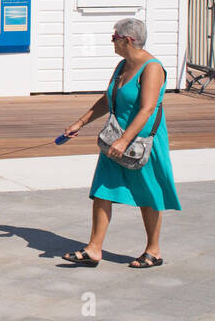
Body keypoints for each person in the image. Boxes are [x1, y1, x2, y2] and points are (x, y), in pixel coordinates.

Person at [60, 18, 181, 268]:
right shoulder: (122, 66)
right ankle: (94, 248)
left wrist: (125, 141)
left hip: (142, 141)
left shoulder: (152, 68)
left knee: (148, 193)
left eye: (114, 37)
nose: (111, 41)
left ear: (128, 40)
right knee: (103, 190)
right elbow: (107, 100)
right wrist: (79, 123)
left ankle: (153, 251)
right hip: (115, 138)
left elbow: (147, 109)